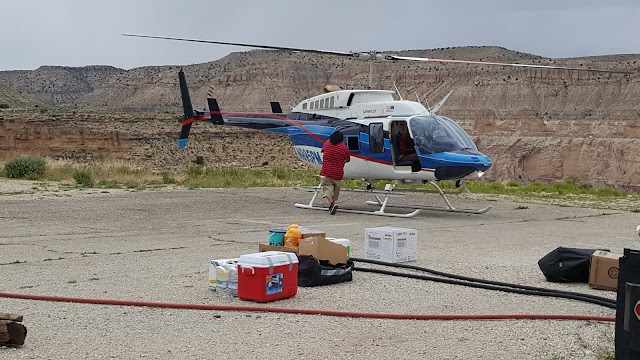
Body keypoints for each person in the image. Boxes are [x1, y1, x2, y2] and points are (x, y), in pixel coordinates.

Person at [320, 130, 350, 215]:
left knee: (327, 189)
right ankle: (333, 203)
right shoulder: (344, 147)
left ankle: (332, 204)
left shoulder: (327, 144)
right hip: (338, 173)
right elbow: (348, 159)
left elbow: (323, 150)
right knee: (336, 190)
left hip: (326, 172)